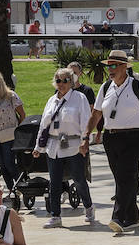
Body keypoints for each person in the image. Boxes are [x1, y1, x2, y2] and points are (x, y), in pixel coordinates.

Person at [88, 50, 139, 234]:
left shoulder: (138, 87)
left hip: (133, 138)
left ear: (124, 67)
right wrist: (86, 135)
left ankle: (117, 217)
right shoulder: (105, 87)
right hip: (111, 138)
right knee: (121, 178)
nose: (109, 69)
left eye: (113, 65)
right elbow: (96, 113)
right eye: (108, 65)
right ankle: (133, 217)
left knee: (126, 176)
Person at [35, 69, 95, 226]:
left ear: (71, 81)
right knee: (54, 182)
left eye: (65, 80)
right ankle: (56, 215)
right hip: (54, 146)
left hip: (73, 145)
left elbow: (85, 121)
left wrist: (85, 141)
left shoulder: (79, 98)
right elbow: (44, 125)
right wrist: (38, 147)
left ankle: (88, 206)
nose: (61, 84)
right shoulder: (51, 100)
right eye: (58, 80)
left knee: (79, 179)